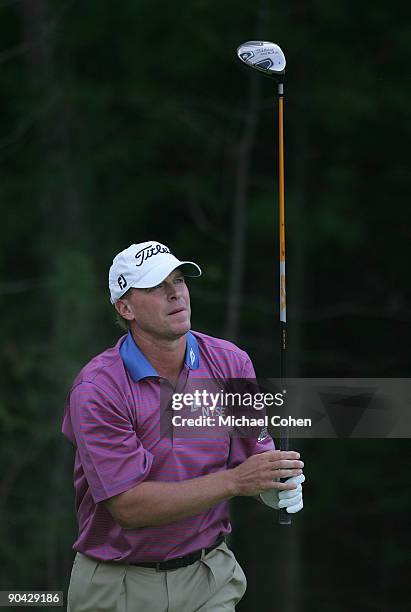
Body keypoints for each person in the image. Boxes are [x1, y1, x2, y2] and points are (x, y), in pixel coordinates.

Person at [62, 240, 305, 612]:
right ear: (125, 307)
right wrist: (238, 482)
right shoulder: (98, 389)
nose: (175, 293)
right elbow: (129, 508)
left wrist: (275, 487)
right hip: (118, 585)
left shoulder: (230, 363)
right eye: (157, 286)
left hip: (208, 578)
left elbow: (256, 456)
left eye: (178, 280)